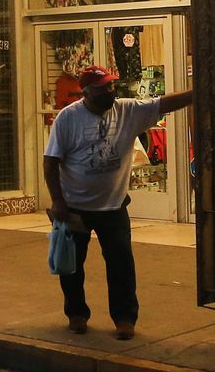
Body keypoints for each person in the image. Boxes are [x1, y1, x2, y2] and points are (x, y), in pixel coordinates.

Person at [44, 66, 195, 340]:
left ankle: (124, 318)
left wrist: (198, 92)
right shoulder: (67, 119)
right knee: (71, 265)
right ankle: (76, 314)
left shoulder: (127, 110)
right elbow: (51, 161)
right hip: (75, 206)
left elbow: (164, 103)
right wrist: (58, 202)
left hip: (113, 207)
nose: (110, 93)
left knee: (121, 264)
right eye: (103, 89)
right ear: (87, 92)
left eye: (112, 87)